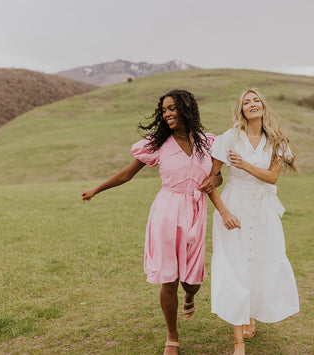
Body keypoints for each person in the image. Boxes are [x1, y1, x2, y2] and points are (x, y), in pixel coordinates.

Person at [81, 89, 221, 355]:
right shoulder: (157, 145)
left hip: (195, 211)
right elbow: (127, 174)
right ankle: (172, 336)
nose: (167, 114)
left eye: (172, 108)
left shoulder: (207, 142)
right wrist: (96, 190)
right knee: (168, 278)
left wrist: (215, 180)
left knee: (192, 281)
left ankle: (190, 296)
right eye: (164, 110)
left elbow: (217, 176)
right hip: (167, 212)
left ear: (186, 108)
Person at [206, 88, 300, 355]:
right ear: (241, 110)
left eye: (256, 100)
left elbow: (272, 178)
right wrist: (224, 212)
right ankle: (238, 341)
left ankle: (250, 313)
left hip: (263, 210)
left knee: (262, 264)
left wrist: (245, 164)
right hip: (234, 207)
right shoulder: (228, 139)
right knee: (234, 268)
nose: (252, 104)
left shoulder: (277, 141)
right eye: (246, 102)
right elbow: (212, 181)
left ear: (263, 106)